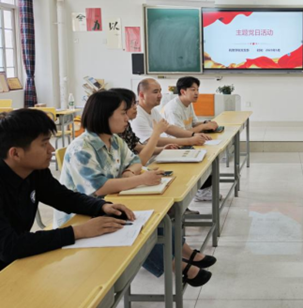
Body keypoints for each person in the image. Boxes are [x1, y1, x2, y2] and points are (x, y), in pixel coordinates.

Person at [56, 91, 215, 286]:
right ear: (104, 115)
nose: (127, 118)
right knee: (139, 226)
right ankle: (177, 266)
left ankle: (184, 252)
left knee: (157, 215)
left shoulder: (115, 140)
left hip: (112, 201)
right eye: (123, 113)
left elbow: (136, 161)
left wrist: (130, 172)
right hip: (82, 216)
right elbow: (99, 188)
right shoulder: (82, 148)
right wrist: (139, 179)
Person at [0, 109, 135, 271]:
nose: (51, 149)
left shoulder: (34, 171)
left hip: (17, 261)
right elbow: (9, 246)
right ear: (15, 153)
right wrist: (78, 231)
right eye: (44, 144)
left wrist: (101, 206)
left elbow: (62, 197)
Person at [131, 79, 217, 202]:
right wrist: (190, 140)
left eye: (160, 91)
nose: (160, 95)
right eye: (155, 92)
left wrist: (193, 135)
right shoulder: (138, 115)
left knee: (203, 157)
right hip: (149, 160)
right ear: (141, 95)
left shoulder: (152, 110)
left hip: (160, 152)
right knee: (187, 167)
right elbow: (153, 140)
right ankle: (190, 199)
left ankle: (184, 205)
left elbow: (169, 128)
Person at [112, 88, 177, 166]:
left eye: (135, 103)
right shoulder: (114, 134)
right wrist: (156, 133)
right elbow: (137, 162)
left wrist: (162, 149)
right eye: (131, 105)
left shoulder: (126, 125)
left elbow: (135, 146)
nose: (136, 107)